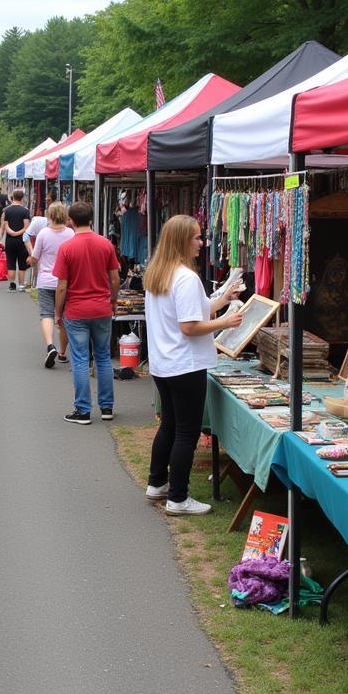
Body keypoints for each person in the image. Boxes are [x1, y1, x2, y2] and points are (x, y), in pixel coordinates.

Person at [144, 214, 244, 514]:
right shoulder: (186, 278)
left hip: (165, 364)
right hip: (185, 364)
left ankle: (157, 482)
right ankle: (177, 497)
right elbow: (189, 326)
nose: (203, 242)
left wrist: (223, 299)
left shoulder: (159, 273)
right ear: (181, 241)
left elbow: (194, 312)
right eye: (197, 237)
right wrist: (225, 322)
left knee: (171, 426)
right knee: (186, 431)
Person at [53, 201, 120, 425]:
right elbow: (114, 278)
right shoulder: (106, 244)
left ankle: (82, 410)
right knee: (103, 357)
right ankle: (107, 406)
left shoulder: (67, 248)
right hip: (101, 308)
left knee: (80, 358)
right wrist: (113, 300)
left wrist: (58, 311)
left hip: (77, 310)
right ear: (91, 219)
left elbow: (62, 285)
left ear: (70, 220)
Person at [28, 201, 73, 368]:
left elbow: (35, 257)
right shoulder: (71, 234)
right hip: (66, 281)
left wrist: (30, 260)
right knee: (64, 316)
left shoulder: (43, 234)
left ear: (50, 216)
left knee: (46, 314)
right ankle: (62, 352)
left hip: (46, 280)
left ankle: (50, 345)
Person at [0, 188, 31, 292]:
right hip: (22, 240)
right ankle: (21, 285)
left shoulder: (6, 210)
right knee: (22, 264)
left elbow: (5, 225)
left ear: (13, 197)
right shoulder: (25, 211)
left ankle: (12, 285)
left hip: (10, 240)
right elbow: (27, 227)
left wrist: (11, 233)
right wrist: (18, 233)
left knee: (11, 263)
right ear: (22, 198)